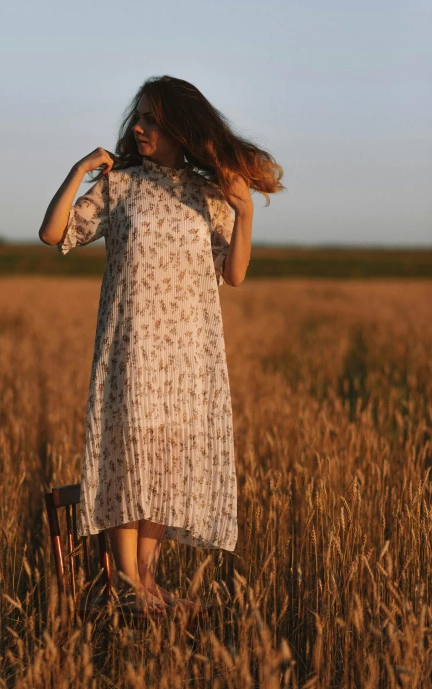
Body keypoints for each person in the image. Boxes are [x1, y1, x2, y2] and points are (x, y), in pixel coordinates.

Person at [39, 75, 284, 615]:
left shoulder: (206, 193)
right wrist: (78, 172)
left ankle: (145, 583)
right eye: (139, 118)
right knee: (127, 457)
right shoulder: (119, 185)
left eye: (152, 119)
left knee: (165, 461)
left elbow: (235, 274)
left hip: (185, 354)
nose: (140, 127)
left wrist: (245, 213)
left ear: (180, 129)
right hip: (129, 344)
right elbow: (53, 233)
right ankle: (125, 582)